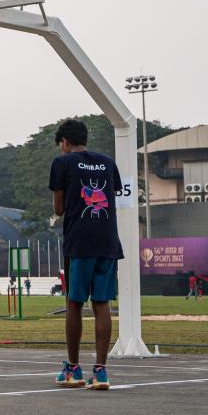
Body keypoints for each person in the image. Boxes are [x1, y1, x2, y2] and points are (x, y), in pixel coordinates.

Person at [49, 119, 124, 391]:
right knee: (102, 304)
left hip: (79, 242)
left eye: (61, 145)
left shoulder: (63, 163)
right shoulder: (106, 162)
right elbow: (113, 194)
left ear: (65, 142)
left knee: (74, 303)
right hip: (107, 241)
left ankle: (73, 368)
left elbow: (58, 209)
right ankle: (101, 371)